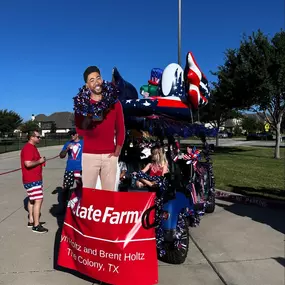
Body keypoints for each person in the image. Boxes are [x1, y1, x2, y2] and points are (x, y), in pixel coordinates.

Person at [74, 66, 125, 191]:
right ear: (87, 85)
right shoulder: (82, 105)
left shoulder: (115, 103)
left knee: (109, 194)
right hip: (89, 155)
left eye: (98, 78)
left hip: (110, 155)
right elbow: (80, 130)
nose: (96, 82)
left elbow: (121, 128)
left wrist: (118, 149)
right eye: (92, 80)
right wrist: (89, 116)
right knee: (88, 193)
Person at [20, 130, 48, 233]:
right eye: (38, 137)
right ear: (32, 137)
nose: (39, 138)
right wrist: (39, 161)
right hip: (32, 179)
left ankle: (31, 220)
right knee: (38, 199)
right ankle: (36, 225)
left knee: (32, 199)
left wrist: (40, 160)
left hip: (32, 178)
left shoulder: (32, 147)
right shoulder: (28, 148)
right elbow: (27, 163)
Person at [59, 130, 83, 209]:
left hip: (80, 169)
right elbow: (61, 156)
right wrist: (67, 149)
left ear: (77, 134)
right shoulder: (67, 143)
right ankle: (63, 206)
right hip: (70, 168)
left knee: (82, 187)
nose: (72, 136)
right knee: (66, 187)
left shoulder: (83, 143)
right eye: (70, 134)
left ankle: (82, 205)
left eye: (73, 134)